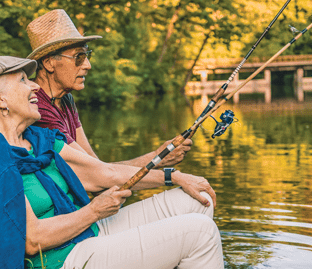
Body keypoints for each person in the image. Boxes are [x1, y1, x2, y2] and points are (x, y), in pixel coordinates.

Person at [0, 56, 229, 269]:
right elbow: (32, 240)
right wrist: (94, 211)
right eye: (24, 80)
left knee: (197, 201)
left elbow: (103, 173)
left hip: (84, 234)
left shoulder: (37, 139)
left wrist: (174, 176)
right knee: (199, 232)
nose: (35, 86)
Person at [26, 9, 193, 168]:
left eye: (87, 55)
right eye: (79, 57)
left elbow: (94, 163)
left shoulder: (65, 99)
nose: (88, 65)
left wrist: (158, 158)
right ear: (48, 63)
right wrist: (158, 158)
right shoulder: (37, 108)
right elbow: (95, 173)